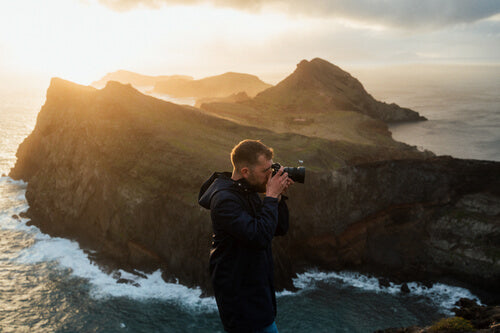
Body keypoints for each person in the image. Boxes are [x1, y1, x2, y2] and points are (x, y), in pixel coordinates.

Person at [198, 139, 294, 333]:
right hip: (241, 303)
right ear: (245, 172)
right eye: (265, 171)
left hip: (256, 294)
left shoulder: (246, 191)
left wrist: (278, 198)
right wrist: (270, 198)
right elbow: (259, 237)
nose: (270, 175)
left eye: (271, 168)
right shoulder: (224, 200)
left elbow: (279, 228)